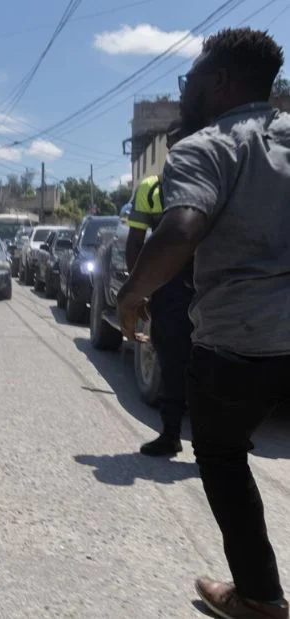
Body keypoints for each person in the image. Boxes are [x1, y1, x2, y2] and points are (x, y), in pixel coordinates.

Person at [118, 27, 290, 619]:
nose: (183, 90)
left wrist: (132, 293)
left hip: (242, 338)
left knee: (220, 454)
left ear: (219, 82)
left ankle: (260, 597)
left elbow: (183, 226)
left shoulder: (206, 148)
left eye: (189, 78)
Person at [125, 121, 195, 458]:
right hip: (170, 287)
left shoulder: (222, 178)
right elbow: (135, 242)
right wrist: (138, 289)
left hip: (214, 285)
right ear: (168, 147)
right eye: (178, 142)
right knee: (170, 359)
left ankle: (223, 442)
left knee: (217, 363)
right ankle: (171, 433)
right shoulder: (151, 188)